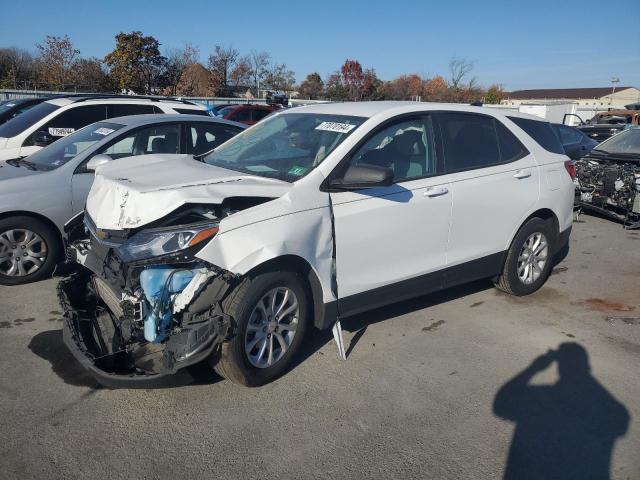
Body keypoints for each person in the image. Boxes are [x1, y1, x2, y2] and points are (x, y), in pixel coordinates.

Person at [493, 343, 630, 480]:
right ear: (587, 367)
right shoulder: (616, 411)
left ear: (559, 367)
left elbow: (501, 404)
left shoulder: (539, 398)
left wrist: (534, 367)